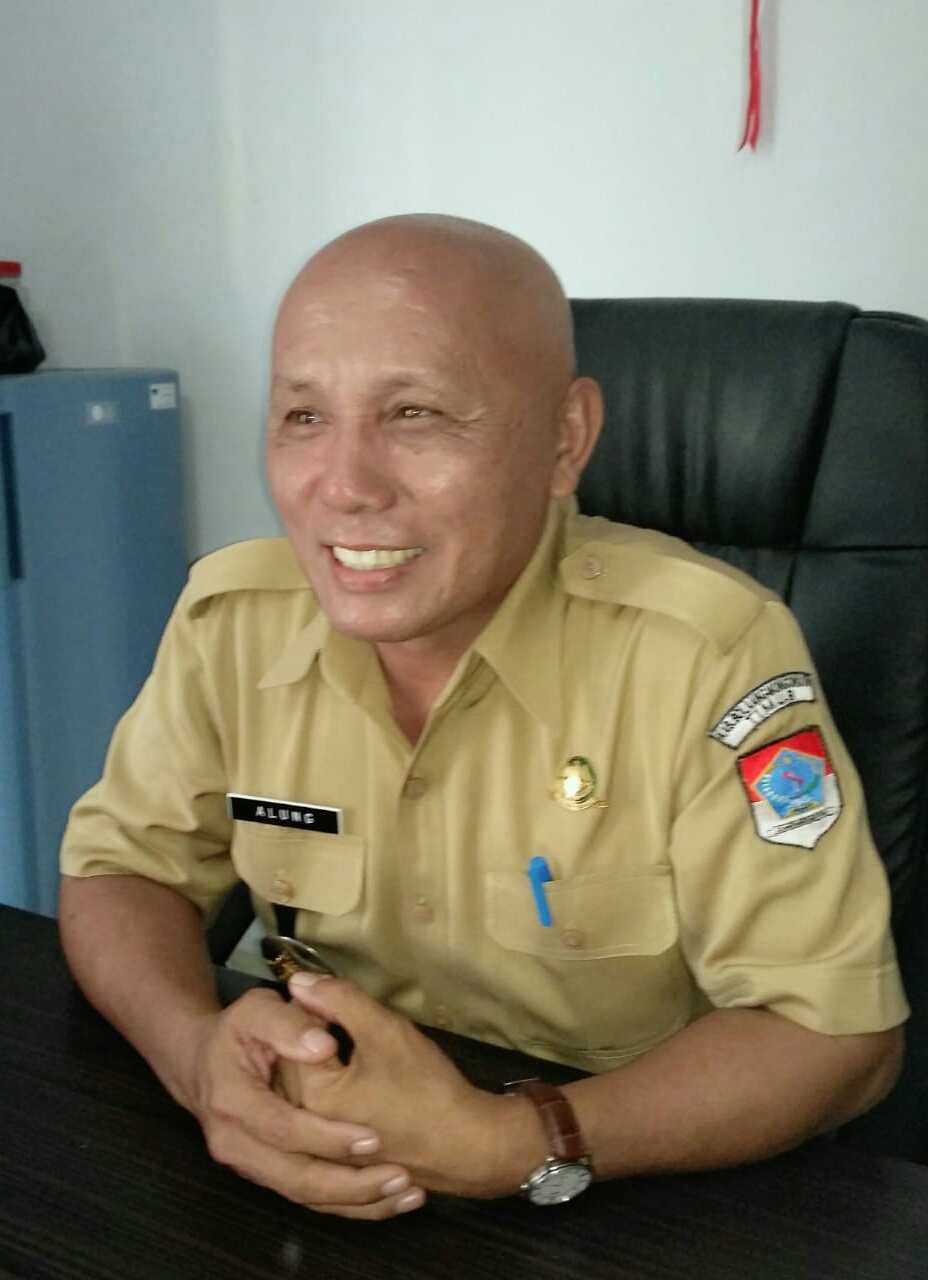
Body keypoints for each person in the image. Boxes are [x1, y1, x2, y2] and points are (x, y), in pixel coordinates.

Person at [59, 214, 908, 1220]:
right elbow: (121, 868)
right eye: (303, 415)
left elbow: (837, 1036)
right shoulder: (235, 619)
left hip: (630, 1191)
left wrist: (521, 1140)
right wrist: (195, 1054)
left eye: (414, 413)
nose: (344, 486)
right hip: (310, 1158)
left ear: (564, 441)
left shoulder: (706, 654)